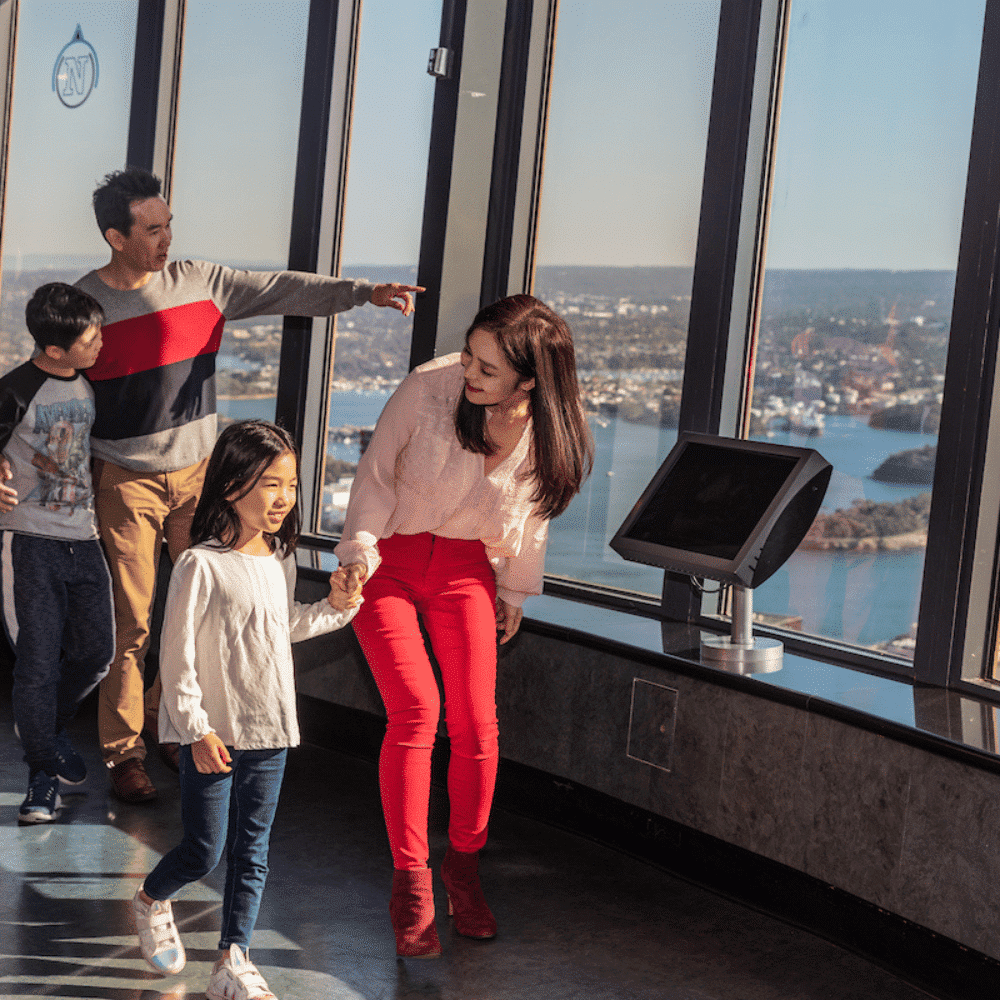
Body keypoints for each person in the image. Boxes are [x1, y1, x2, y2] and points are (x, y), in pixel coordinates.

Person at [75, 166, 422, 803]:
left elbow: (282, 288)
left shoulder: (203, 283)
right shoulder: (86, 305)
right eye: (152, 229)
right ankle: (124, 754)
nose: (166, 237)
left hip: (199, 478)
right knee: (132, 624)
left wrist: (363, 291)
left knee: (201, 612)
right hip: (124, 479)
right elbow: (54, 386)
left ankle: (176, 728)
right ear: (115, 237)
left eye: (169, 224)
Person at [335, 293, 594, 957]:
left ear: (529, 381)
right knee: (416, 712)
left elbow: (534, 514)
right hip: (387, 557)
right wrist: (360, 552)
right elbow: (375, 474)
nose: (467, 371)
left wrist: (513, 587)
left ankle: (464, 870)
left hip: (462, 567)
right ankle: (411, 885)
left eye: (486, 367)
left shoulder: (546, 429)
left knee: (477, 724)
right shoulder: (430, 386)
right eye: (471, 354)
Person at [131, 419, 360, 999]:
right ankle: (152, 897)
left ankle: (233, 959)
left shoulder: (277, 559)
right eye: (270, 484)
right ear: (232, 485)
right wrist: (196, 729)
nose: (284, 498)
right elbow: (176, 658)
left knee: (252, 852)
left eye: (290, 485)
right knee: (204, 850)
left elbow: (280, 629)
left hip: (270, 729)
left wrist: (337, 606)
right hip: (213, 735)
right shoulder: (198, 564)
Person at [0, 283, 114, 823]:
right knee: (38, 666)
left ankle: (43, 728)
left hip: (84, 541)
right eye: (91, 338)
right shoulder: (15, 390)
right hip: (28, 543)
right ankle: (41, 774)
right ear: (53, 350)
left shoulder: (87, 387)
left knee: (97, 653)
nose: (99, 343)